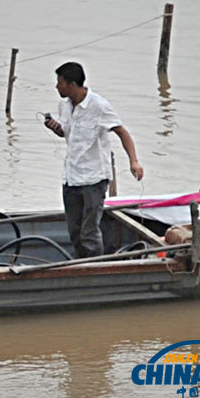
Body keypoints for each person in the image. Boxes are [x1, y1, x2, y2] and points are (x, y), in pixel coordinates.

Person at [44, 61, 144, 258]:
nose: (57, 87)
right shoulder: (64, 106)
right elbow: (68, 134)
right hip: (71, 178)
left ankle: (96, 266)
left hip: (93, 180)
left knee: (89, 233)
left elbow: (122, 132)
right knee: (74, 231)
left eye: (60, 83)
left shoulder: (99, 106)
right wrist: (55, 128)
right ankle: (82, 265)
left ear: (72, 85)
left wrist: (134, 161)